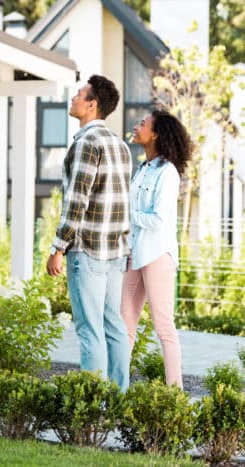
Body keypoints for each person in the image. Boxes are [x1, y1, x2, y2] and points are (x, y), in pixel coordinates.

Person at [46, 74, 132, 391]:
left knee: (90, 329)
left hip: (87, 251)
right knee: (114, 327)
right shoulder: (120, 146)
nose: (73, 98)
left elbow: (76, 200)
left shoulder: (86, 143)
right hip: (115, 253)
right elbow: (126, 202)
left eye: (79, 94)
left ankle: (93, 406)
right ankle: (118, 399)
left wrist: (58, 247)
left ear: (92, 104)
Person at [120, 109, 192, 388]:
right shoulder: (142, 170)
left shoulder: (167, 173)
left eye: (142, 123)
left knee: (164, 328)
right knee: (123, 326)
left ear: (156, 134)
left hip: (157, 255)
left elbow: (158, 219)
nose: (136, 126)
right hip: (134, 254)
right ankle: (116, 393)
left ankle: (174, 396)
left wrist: (124, 214)